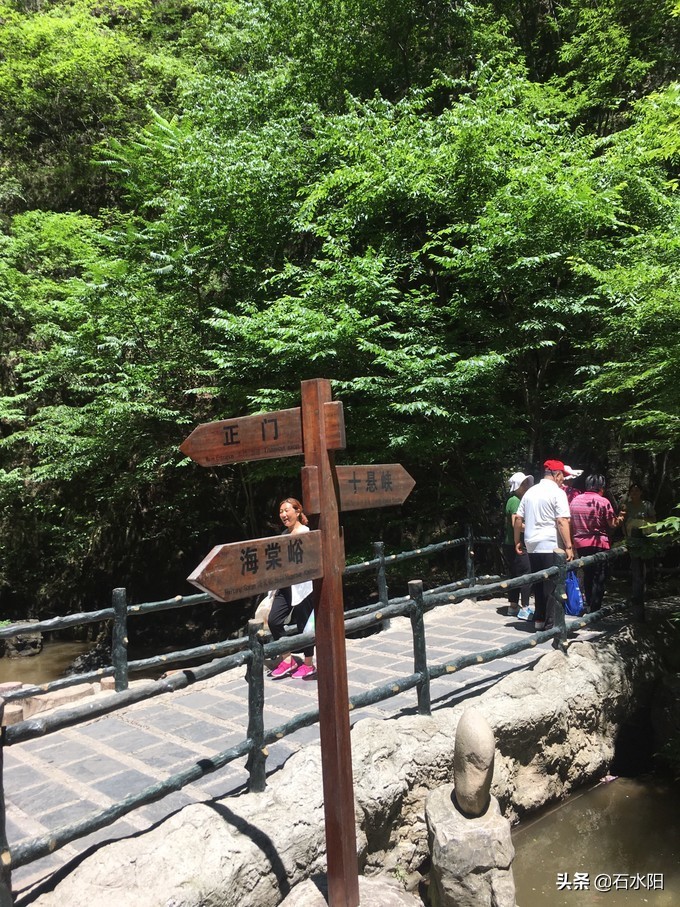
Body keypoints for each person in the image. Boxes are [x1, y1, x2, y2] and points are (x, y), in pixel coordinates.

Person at [514, 459, 574, 630]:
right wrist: (569, 546)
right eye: (563, 476)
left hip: (532, 543)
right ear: (556, 475)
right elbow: (562, 520)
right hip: (551, 544)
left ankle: (538, 619)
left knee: (538, 581)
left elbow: (518, 518)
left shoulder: (530, 492)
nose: (564, 480)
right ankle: (550, 623)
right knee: (552, 585)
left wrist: (518, 540)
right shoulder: (558, 493)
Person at [268, 498, 317, 679]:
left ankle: (308, 663)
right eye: (281, 511)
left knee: (305, 626)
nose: (283, 515)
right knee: (274, 620)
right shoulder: (283, 535)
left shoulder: (306, 533)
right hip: (285, 586)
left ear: (297, 512)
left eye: (286, 510)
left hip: (304, 586)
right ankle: (288, 659)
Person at [569, 474, 622, 612]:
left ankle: (587, 604)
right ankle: (595, 608)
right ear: (601, 488)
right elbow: (612, 524)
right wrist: (620, 518)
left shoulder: (575, 500)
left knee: (588, 573)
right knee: (600, 575)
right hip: (599, 544)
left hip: (580, 544)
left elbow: (570, 522)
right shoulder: (603, 502)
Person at [621, 482, 656, 619]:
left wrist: (641, 520)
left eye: (637, 491)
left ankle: (643, 590)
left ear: (641, 492)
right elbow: (622, 521)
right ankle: (637, 594)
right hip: (631, 538)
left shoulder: (647, 505)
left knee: (643, 565)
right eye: (632, 491)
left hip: (645, 537)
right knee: (635, 565)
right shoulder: (626, 506)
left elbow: (653, 519)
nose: (634, 493)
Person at [503, 472, 534, 617]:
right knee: (525, 574)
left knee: (515, 575)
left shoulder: (514, 499)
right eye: (524, 483)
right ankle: (525, 607)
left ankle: (513, 606)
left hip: (511, 543)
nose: (527, 485)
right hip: (517, 543)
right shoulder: (515, 500)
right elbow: (516, 522)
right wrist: (534, 527)